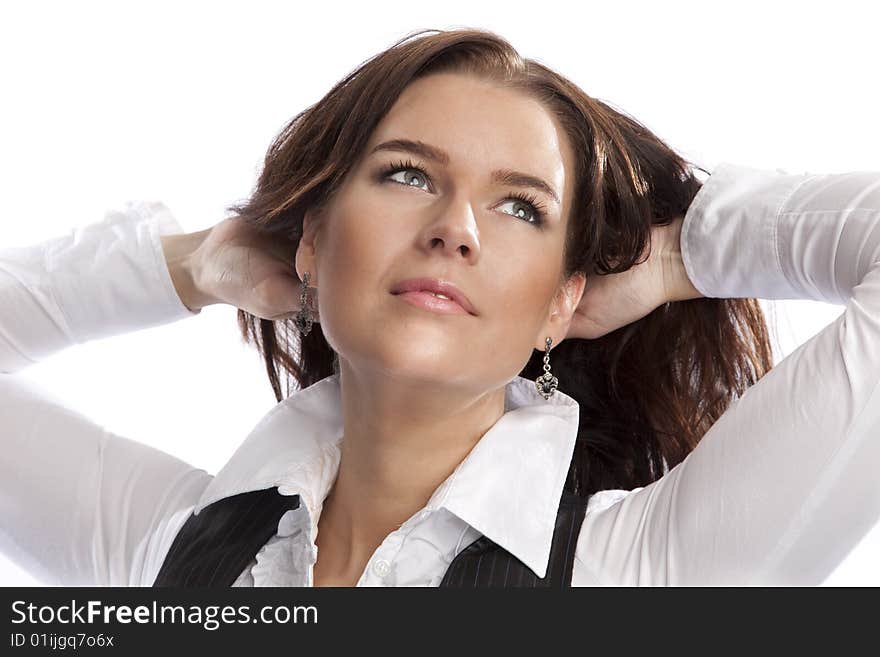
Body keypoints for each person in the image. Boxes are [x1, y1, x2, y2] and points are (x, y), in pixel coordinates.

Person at [2, 27, 879, 587]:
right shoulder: (165, 548)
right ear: (312, 241)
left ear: (563, 305)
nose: (454, 228)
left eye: (520, 206)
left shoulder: (644, 571)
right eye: (407, 174)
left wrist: (681, 254)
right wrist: (191, 264)